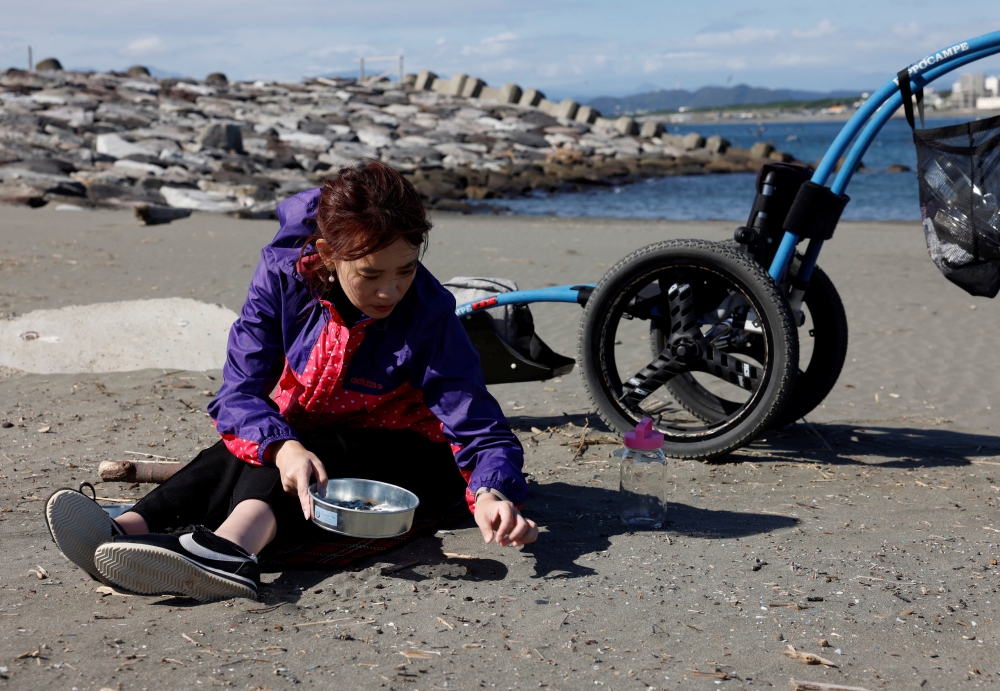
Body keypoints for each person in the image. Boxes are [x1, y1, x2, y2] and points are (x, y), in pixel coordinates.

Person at [45, 160, 538, 601]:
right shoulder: (283, 277)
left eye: (406, 270)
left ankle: (231, 550)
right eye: (370, 274)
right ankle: (123, 529)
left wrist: (492, 492)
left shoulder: (429, 312)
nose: (391, 290)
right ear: (327, 252)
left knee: (314, 451)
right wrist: (282, 448)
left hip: (415, 459)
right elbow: (239, 393)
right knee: (245, 449)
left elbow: (478, 425)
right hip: (312, 437)